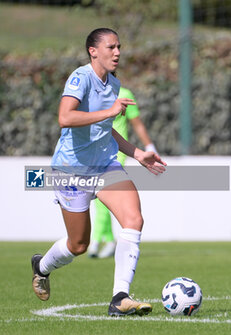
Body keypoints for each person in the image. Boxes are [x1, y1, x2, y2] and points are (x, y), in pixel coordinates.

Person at [31, 28, 166, 316]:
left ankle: (120, 297)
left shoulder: (114, 84)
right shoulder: (80, 77)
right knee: (78, 245)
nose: (117, 52)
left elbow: (107, 133)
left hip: (105, 165)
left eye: (119, 47)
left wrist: (137, 153)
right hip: (71, 170)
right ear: (93, 51)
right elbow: (65, 117)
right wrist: (109, 112)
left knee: (133, 219)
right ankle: (41, 267)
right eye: (110, 47)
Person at [89, 86, 158, 258]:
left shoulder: (125, 94)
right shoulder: (92, 93)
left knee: (105, 194)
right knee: (100, 200)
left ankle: (95, 241)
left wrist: (148, 146)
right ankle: (110, 241)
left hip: (118, 152)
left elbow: (136, 123)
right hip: (97, 151)